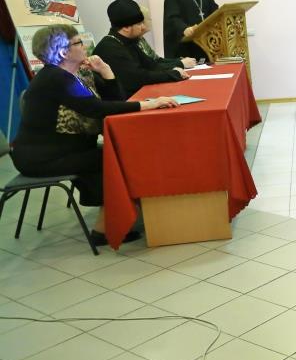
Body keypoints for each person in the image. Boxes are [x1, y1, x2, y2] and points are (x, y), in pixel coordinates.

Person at [12, 26, 179, 246]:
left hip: (65, 149)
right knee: (114, 158)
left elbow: (114, 102)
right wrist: (148, 104)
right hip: (42, 157)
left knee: (115, 154)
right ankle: (105, 229)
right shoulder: (56, 78)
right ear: (63, 52)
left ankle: (128, 214)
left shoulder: (76, 74)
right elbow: (97, 109)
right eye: (78, 43)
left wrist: (106, 72)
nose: (85, 47)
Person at [93, 0, 189, 98]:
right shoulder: (110, 49)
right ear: (126, 27)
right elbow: (138, 78)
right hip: (125, 102)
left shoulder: (129, 41)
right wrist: (172, 74)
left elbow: (152, 65)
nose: (143, 27)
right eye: (139, 24)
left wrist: (175, 69)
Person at [138, 6, 196, 70]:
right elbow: (151, 66)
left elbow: (157, 60)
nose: (151, 21)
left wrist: (179, 60)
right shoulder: (135, 43)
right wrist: (180, 63)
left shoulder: (142, 39)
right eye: (149, 19)